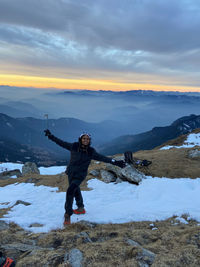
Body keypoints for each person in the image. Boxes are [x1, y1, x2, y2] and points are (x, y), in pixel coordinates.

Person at [44, 130, 125, 225]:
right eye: (84, 138)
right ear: (80, 139)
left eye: (87, 139)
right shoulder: (74, 146)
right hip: (71, 172)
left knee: (70, 190)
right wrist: (51, 136)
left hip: (80, 175)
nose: (86, 140)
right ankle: (81, 208)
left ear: (89, 140)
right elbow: (61, 143)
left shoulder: (91, 151)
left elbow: (103, 158)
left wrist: (116, 162)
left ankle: (67, 214)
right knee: (75, 189)